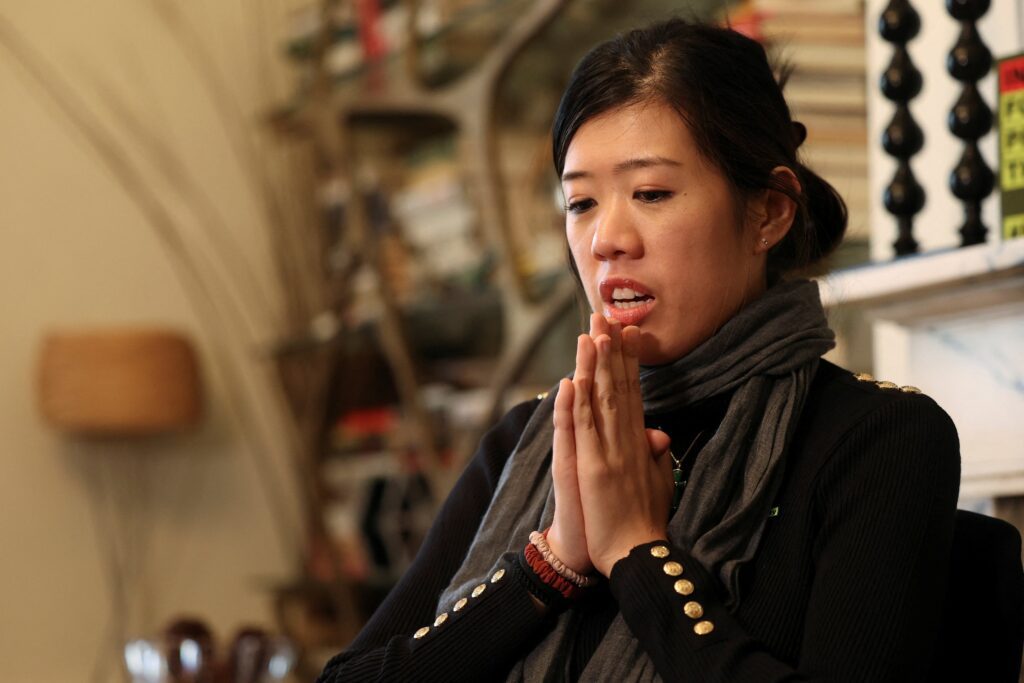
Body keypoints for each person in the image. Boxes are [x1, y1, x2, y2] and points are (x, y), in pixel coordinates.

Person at [317, 17, 960, 683]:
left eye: (651, 193)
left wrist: (635, 549)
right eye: (581, 202)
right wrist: (553, 560)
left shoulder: (877, 440)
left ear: (769, 211)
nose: (607, 239)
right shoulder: (529, 440)